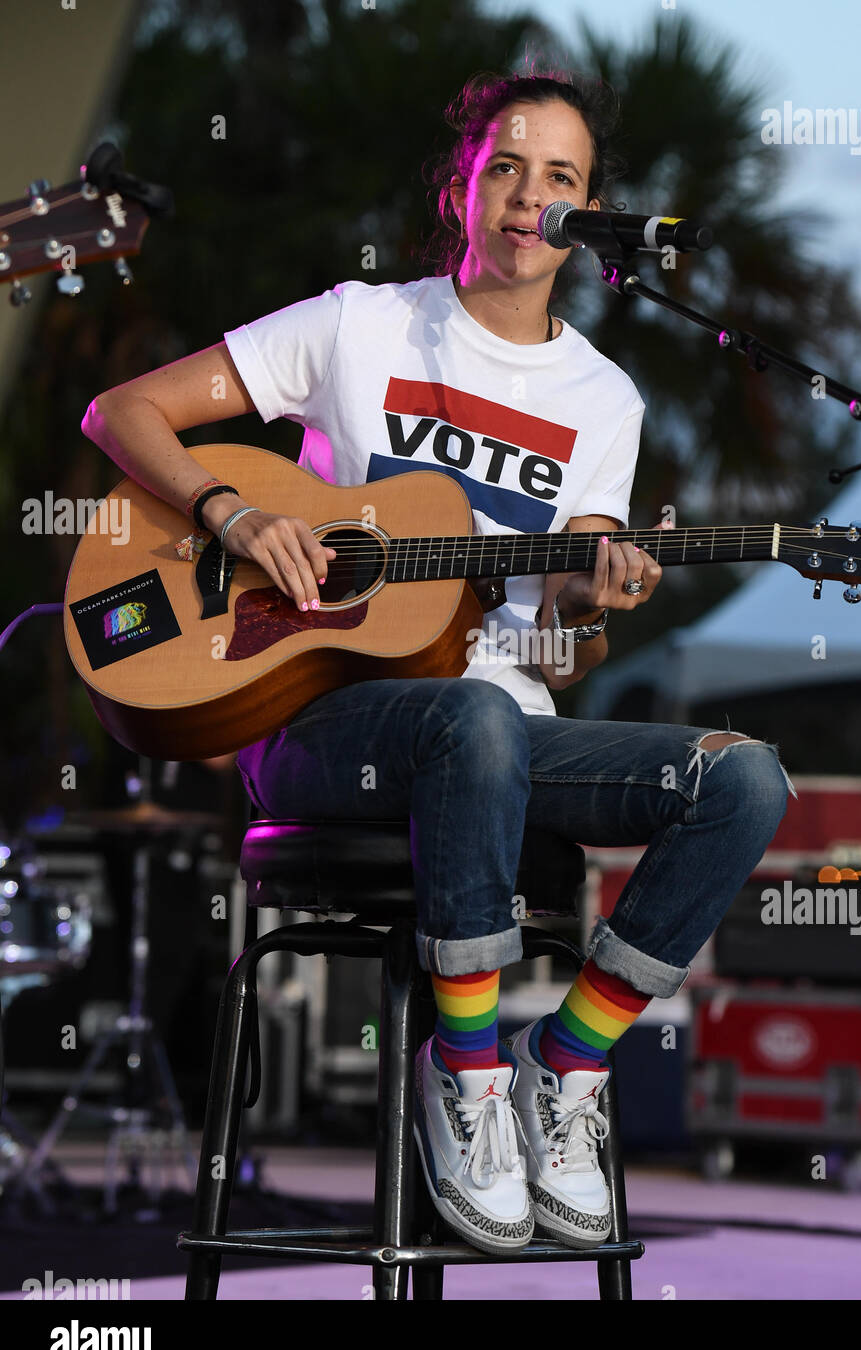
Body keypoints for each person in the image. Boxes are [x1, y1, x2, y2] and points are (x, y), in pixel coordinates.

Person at [81, 68, 791, 1257]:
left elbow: (563, 642)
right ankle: (461, 1076)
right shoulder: (356, 324)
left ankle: (559, 1070)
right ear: (457, 184)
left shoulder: (602, 400)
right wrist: (233, 515)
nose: (528, 197)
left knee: (742, 779)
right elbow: (122, 412)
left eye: (559, 178)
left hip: (502, 719)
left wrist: (588, 594)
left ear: (589, 208)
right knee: (472, 720)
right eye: (504, 168)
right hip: (318, 720)